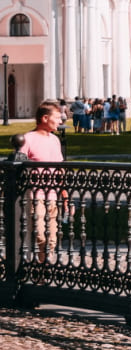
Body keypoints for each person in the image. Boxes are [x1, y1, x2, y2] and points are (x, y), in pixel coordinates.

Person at [22, 101, 65, 262]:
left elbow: (60, 170)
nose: (61, 122)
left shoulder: (55, 140)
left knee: (52, 239)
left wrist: (65, 196)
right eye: (57, 118)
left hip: (53, 196)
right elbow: (18, 166)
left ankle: (42, 274)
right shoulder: (28, 139)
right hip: (37, 195)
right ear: (45, 118)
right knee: (41, 235)